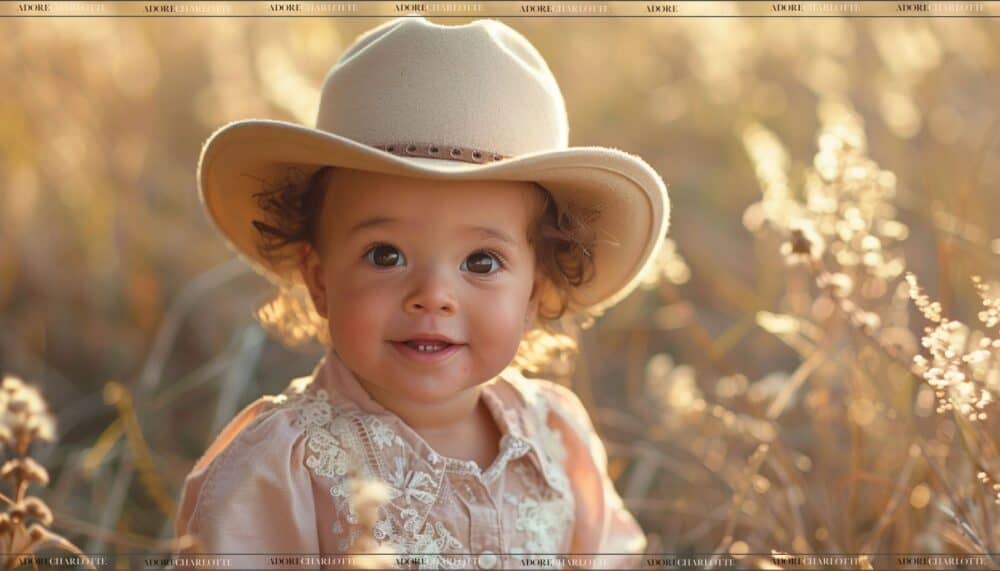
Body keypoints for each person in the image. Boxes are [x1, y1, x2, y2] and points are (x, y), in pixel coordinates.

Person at [174, 15, 669, 570]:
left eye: (481, 262)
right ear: (320, 279)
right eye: (386, 255)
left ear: (536, 291)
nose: (433, 295)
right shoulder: (282, 466)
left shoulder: (556, 437)